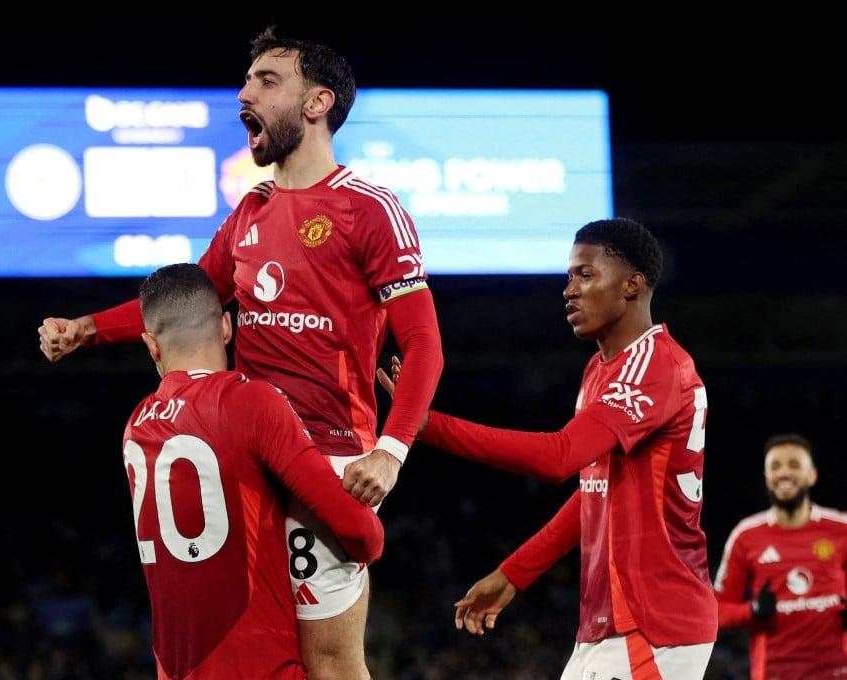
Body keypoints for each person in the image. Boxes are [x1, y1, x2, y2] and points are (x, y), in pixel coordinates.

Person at [37, 25, 443, 680]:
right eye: (247, 79)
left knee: (329, 663)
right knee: (246, 652)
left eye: (266, 81)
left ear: (317, 102)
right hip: (246, 461)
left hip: (329, 459)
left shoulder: (369, 208)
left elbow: (423, 342)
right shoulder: (250, 210)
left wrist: (390, 453)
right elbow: (191, 298)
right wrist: (88, 328)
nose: (243, 94)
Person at [379, 217, 717, 678]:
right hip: (612, 624)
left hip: (654, 623)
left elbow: (558, 457)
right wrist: (514, 572)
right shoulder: (602, 370)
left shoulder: (653, 365)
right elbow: (594, 495)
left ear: (632, 285)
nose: (569, 290)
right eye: (569, 277)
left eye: (585, 275)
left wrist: (430, 425)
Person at [124, 262, 384, 678]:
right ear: (227, 327)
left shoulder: (136, 426)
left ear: (151, 345)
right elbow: (360, 533)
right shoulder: (251, 403)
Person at [713, 432, 847, 679]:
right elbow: (716, 611)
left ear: (812, 475)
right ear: (766, 477)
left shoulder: (841, 528)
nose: (784, 473)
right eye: (775, 466)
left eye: (794, 465)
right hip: (774, 673)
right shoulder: (746, 536)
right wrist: (752, 610)